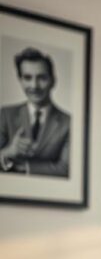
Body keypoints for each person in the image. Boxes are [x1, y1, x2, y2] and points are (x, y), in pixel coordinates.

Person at [0, 47, 70, 177]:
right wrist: (9, 151)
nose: (34, 86)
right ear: (20, 80)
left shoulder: (68, 122)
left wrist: (23, 168)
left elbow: (65, 168)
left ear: (53, 80)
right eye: (27, 78)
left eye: (42, 78)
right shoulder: (5, 114)